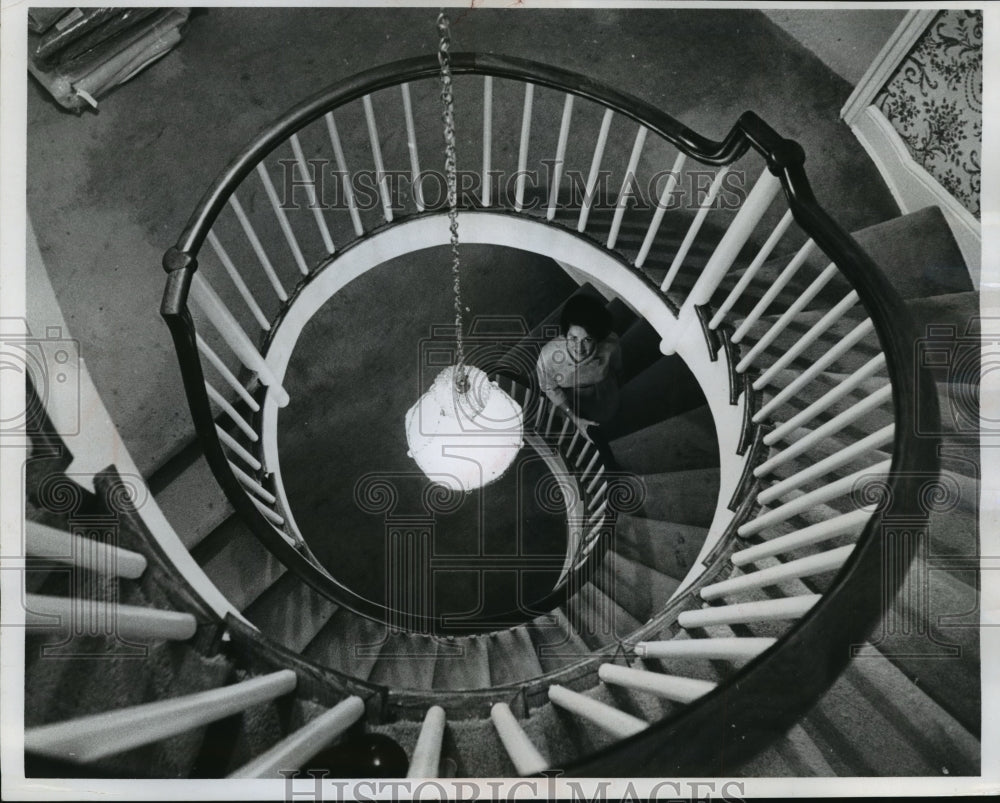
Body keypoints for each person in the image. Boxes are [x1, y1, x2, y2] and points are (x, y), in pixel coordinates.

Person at [536, 295, 622, 441]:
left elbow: (617, 367)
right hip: (570, 398)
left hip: (603, 392)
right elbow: (549, 387)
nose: (579, 348)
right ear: (565, 333)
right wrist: (572, 416)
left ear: (598, 337)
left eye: (587, 339)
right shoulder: (548, 357)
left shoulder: (611, 345)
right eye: (573, 338)